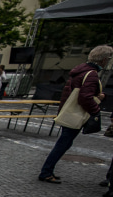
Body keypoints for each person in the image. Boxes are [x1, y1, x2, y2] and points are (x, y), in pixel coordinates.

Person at [38, 45, 111, 184]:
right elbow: (85, 97)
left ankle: (47, 170)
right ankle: (46, 171)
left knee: (64, 142)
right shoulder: (91, 74)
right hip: (75, 114)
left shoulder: (80, 70)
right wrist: (97, 104)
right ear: (104, 60)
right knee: (63, 143)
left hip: (70, 111)